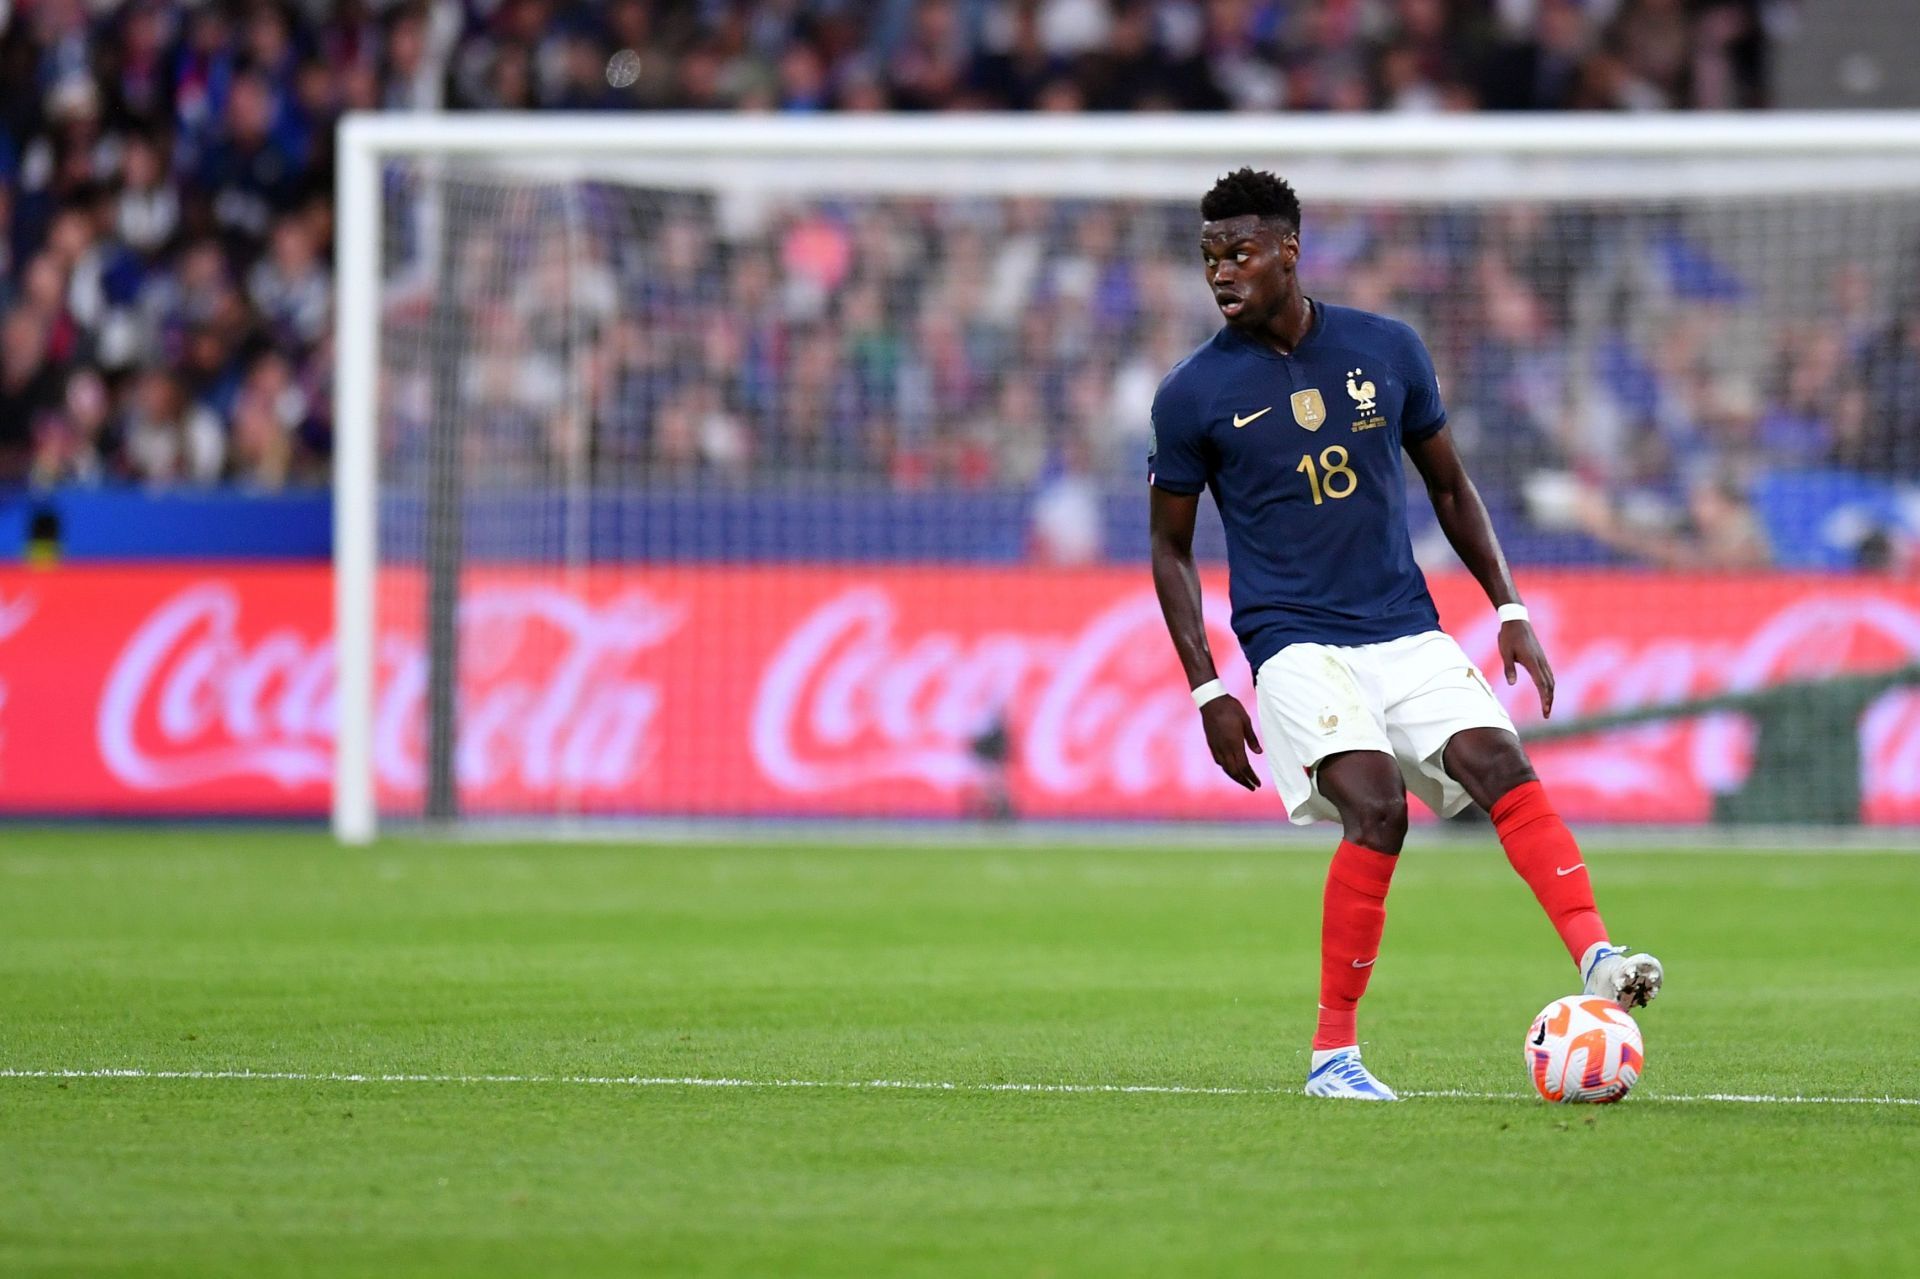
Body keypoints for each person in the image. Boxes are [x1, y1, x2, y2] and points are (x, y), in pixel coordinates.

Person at [1146, 169, 1662, 1102]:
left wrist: (1508, 609)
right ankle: (1331, 1056)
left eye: (1241, 253)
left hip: (1404, 625)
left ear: (1289, 251)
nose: (1221, 273)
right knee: (1379, 808)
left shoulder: (1388, 348)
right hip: (1294, 640)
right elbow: (1170, 549)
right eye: (1209, 257)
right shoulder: (1192, 394)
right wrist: (1209, 688)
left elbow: (1452, 488)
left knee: (1502, 764)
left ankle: (1595, 955)